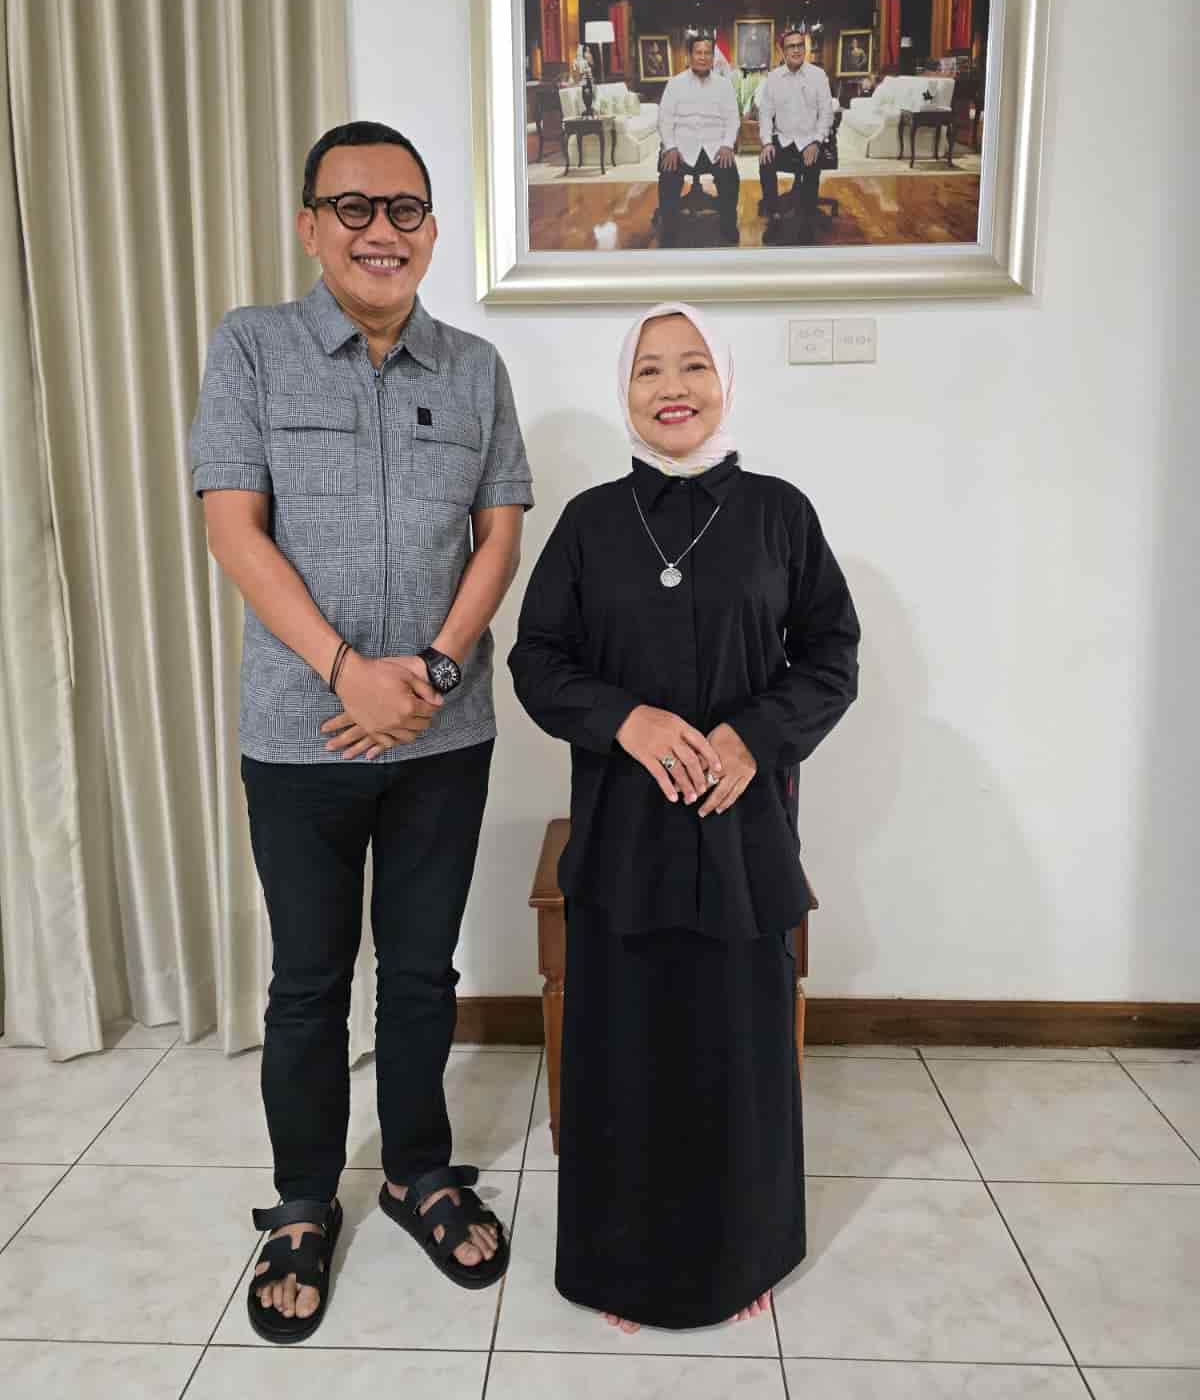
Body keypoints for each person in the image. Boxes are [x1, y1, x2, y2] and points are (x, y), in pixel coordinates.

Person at [190, 120, 533, 1342]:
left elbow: (500, 531)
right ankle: (301, 1201)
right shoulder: (252, 347)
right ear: (310, 225)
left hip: (444, 732)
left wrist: (429, 670)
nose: (381, 230)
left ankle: (417, 1171)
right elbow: (235, 530)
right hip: (302, 735)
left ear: (431, 230)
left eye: (405, 209)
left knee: (424, 972)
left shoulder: (476, 367)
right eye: (354, 207)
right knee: (308, 980)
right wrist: (348, 672)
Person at [508, 302, 860, 1332]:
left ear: (726, 381)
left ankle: (743, 1257)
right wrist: (626, 719)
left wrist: (754, 736)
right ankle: (622, 1271)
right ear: (624, 391)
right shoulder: (588, 523)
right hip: (626, 834)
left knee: (738, 1056)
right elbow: (537, 660)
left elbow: (830, 656)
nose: (673, 387)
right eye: (649, 369)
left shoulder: (781, 514)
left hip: (743, 836)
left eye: (694, 365)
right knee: (628, 1057)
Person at [656, 36, 741, 247]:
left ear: (713, 57)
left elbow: (733, 119)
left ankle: (728, 224)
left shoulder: (724, 85)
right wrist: (670, 147)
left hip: (715, 148)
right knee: (668, 176)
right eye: (698, 52)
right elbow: (664, 119)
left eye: (707, 53)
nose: (702, 57)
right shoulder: (675, 84)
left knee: (730, 176)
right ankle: (669, 229)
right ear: (690, 56)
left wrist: (727, 145)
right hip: (681, 149)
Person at [758, 28, 835, 245]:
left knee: (811, 165)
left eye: (800, 45)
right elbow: (765, 114)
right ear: (782, 51)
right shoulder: (773, 78)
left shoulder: (818, 76)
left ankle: (807, 221)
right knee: (765, 162)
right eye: (791, 46)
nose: (796, 50)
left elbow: (826, 113)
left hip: (810, 140)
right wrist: (766, 143)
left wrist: (817, 141)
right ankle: (774, 217)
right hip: (783, 139)